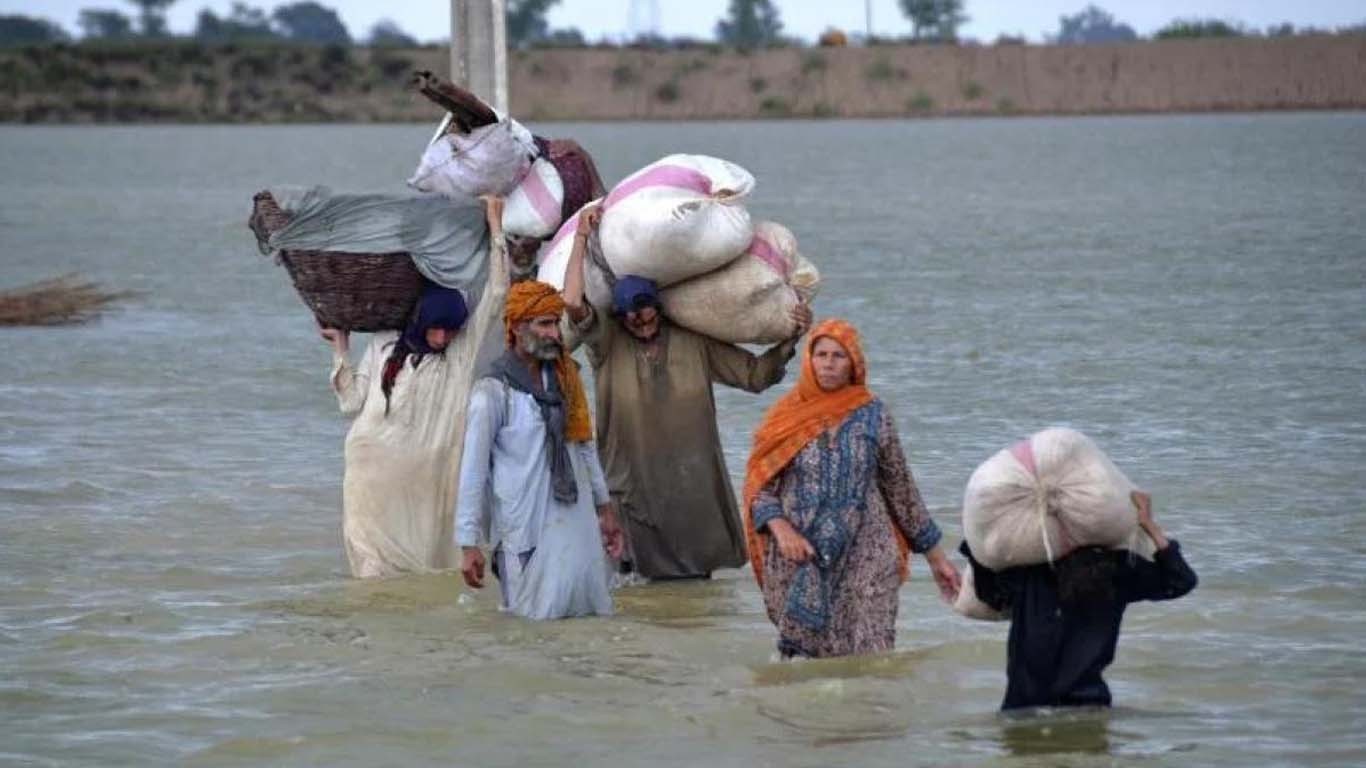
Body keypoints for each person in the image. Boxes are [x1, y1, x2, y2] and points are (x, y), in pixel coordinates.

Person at [562, 204, 813, 580]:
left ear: (659, 309)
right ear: (618, 317)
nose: (640, 320)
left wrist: (790, 337)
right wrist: (581, 237)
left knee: (694, 583)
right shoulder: (607, 344)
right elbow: (570, 302)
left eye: (646, 311)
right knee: (630, 584)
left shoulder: (694, 342)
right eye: (629, 315)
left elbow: (756, 375)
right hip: (630, 485)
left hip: (690, 486)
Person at [742, 319, 961, 659]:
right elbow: (759, 488)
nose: (828, 363)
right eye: (821, 354)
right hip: (801, 555)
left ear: (854, 364)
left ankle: (875, 709)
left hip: (868, 553)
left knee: (874, 656)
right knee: (803, 668)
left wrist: (937, 559)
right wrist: (781, 529)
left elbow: (901, 490)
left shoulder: (874, 415)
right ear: (809, 361)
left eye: (839, 356)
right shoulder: (784, 418)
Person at [320, 197, 509, 579]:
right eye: (436, 328)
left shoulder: (460, 355)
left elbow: (498, 294)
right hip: (371, 472)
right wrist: (341, 348)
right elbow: (351, 403)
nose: (442, 337)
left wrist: (495, 227)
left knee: (428, 565)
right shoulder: (384, 345)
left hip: (429, 476)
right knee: (372, 568)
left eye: (450, 329)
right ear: (420, 321)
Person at [454, 280, 626, 620]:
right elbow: (473, 471)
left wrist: (605, 509)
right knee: (529, 625)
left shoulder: (565, 380)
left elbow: (585, 447)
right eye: (544, 324)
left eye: (556, 324)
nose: (554, 334)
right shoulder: (492, 392)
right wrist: (468, 543)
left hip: (574, 521)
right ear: (517, 328)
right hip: (524, 528)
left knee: (585, 614)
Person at [960, 490, 1198, 710]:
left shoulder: (1028, 569)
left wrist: (978, 542)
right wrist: (1149, 526)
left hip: (1025, 707)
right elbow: (1180, 581)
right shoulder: (1118, 569)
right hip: (1088, 707)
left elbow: (991, 596)